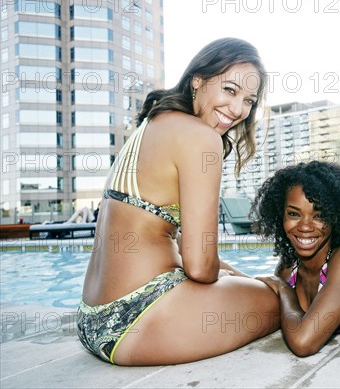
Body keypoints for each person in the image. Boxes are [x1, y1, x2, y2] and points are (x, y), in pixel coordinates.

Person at [77, 38, 280, 366]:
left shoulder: (151, 124)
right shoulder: (202, 138)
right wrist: (241, 281)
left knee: (253, 284)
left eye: (249, 100)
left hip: (91, 319)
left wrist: (237, 276)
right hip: (140, 320)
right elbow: (200, 267)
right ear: (197, 80)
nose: (238, 109)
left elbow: (177, 240)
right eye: (229, 90)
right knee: (277, 299)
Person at [251, 161, 340, 357]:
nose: (305, 226)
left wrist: (285, 289)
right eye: (294, 214)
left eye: (319, 215)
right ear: (280, 215)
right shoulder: (288, 267)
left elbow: (303, 343)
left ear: (336, 217)